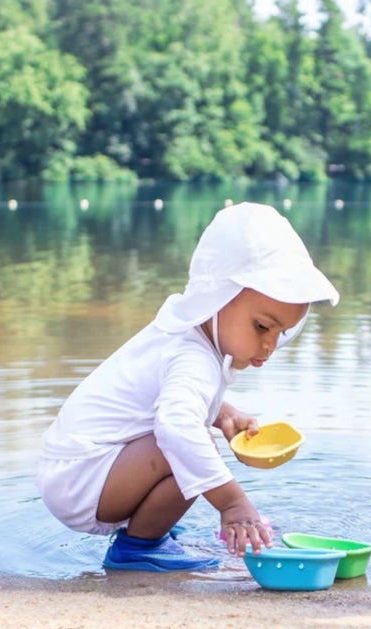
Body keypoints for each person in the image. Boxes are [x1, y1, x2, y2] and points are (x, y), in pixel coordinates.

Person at [37, 202, 339, 572]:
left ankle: (152, 522)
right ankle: (138, 546)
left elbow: (163, 397)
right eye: (262, 327)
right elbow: (177, 427)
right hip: (83, 481)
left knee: (190, 444)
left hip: (79, 471)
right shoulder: (192, 356)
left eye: (281, 333)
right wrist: (233, 504)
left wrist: (224, 412)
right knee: (187, 445)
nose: (269, 346)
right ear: (217, 298)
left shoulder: (186, 335)